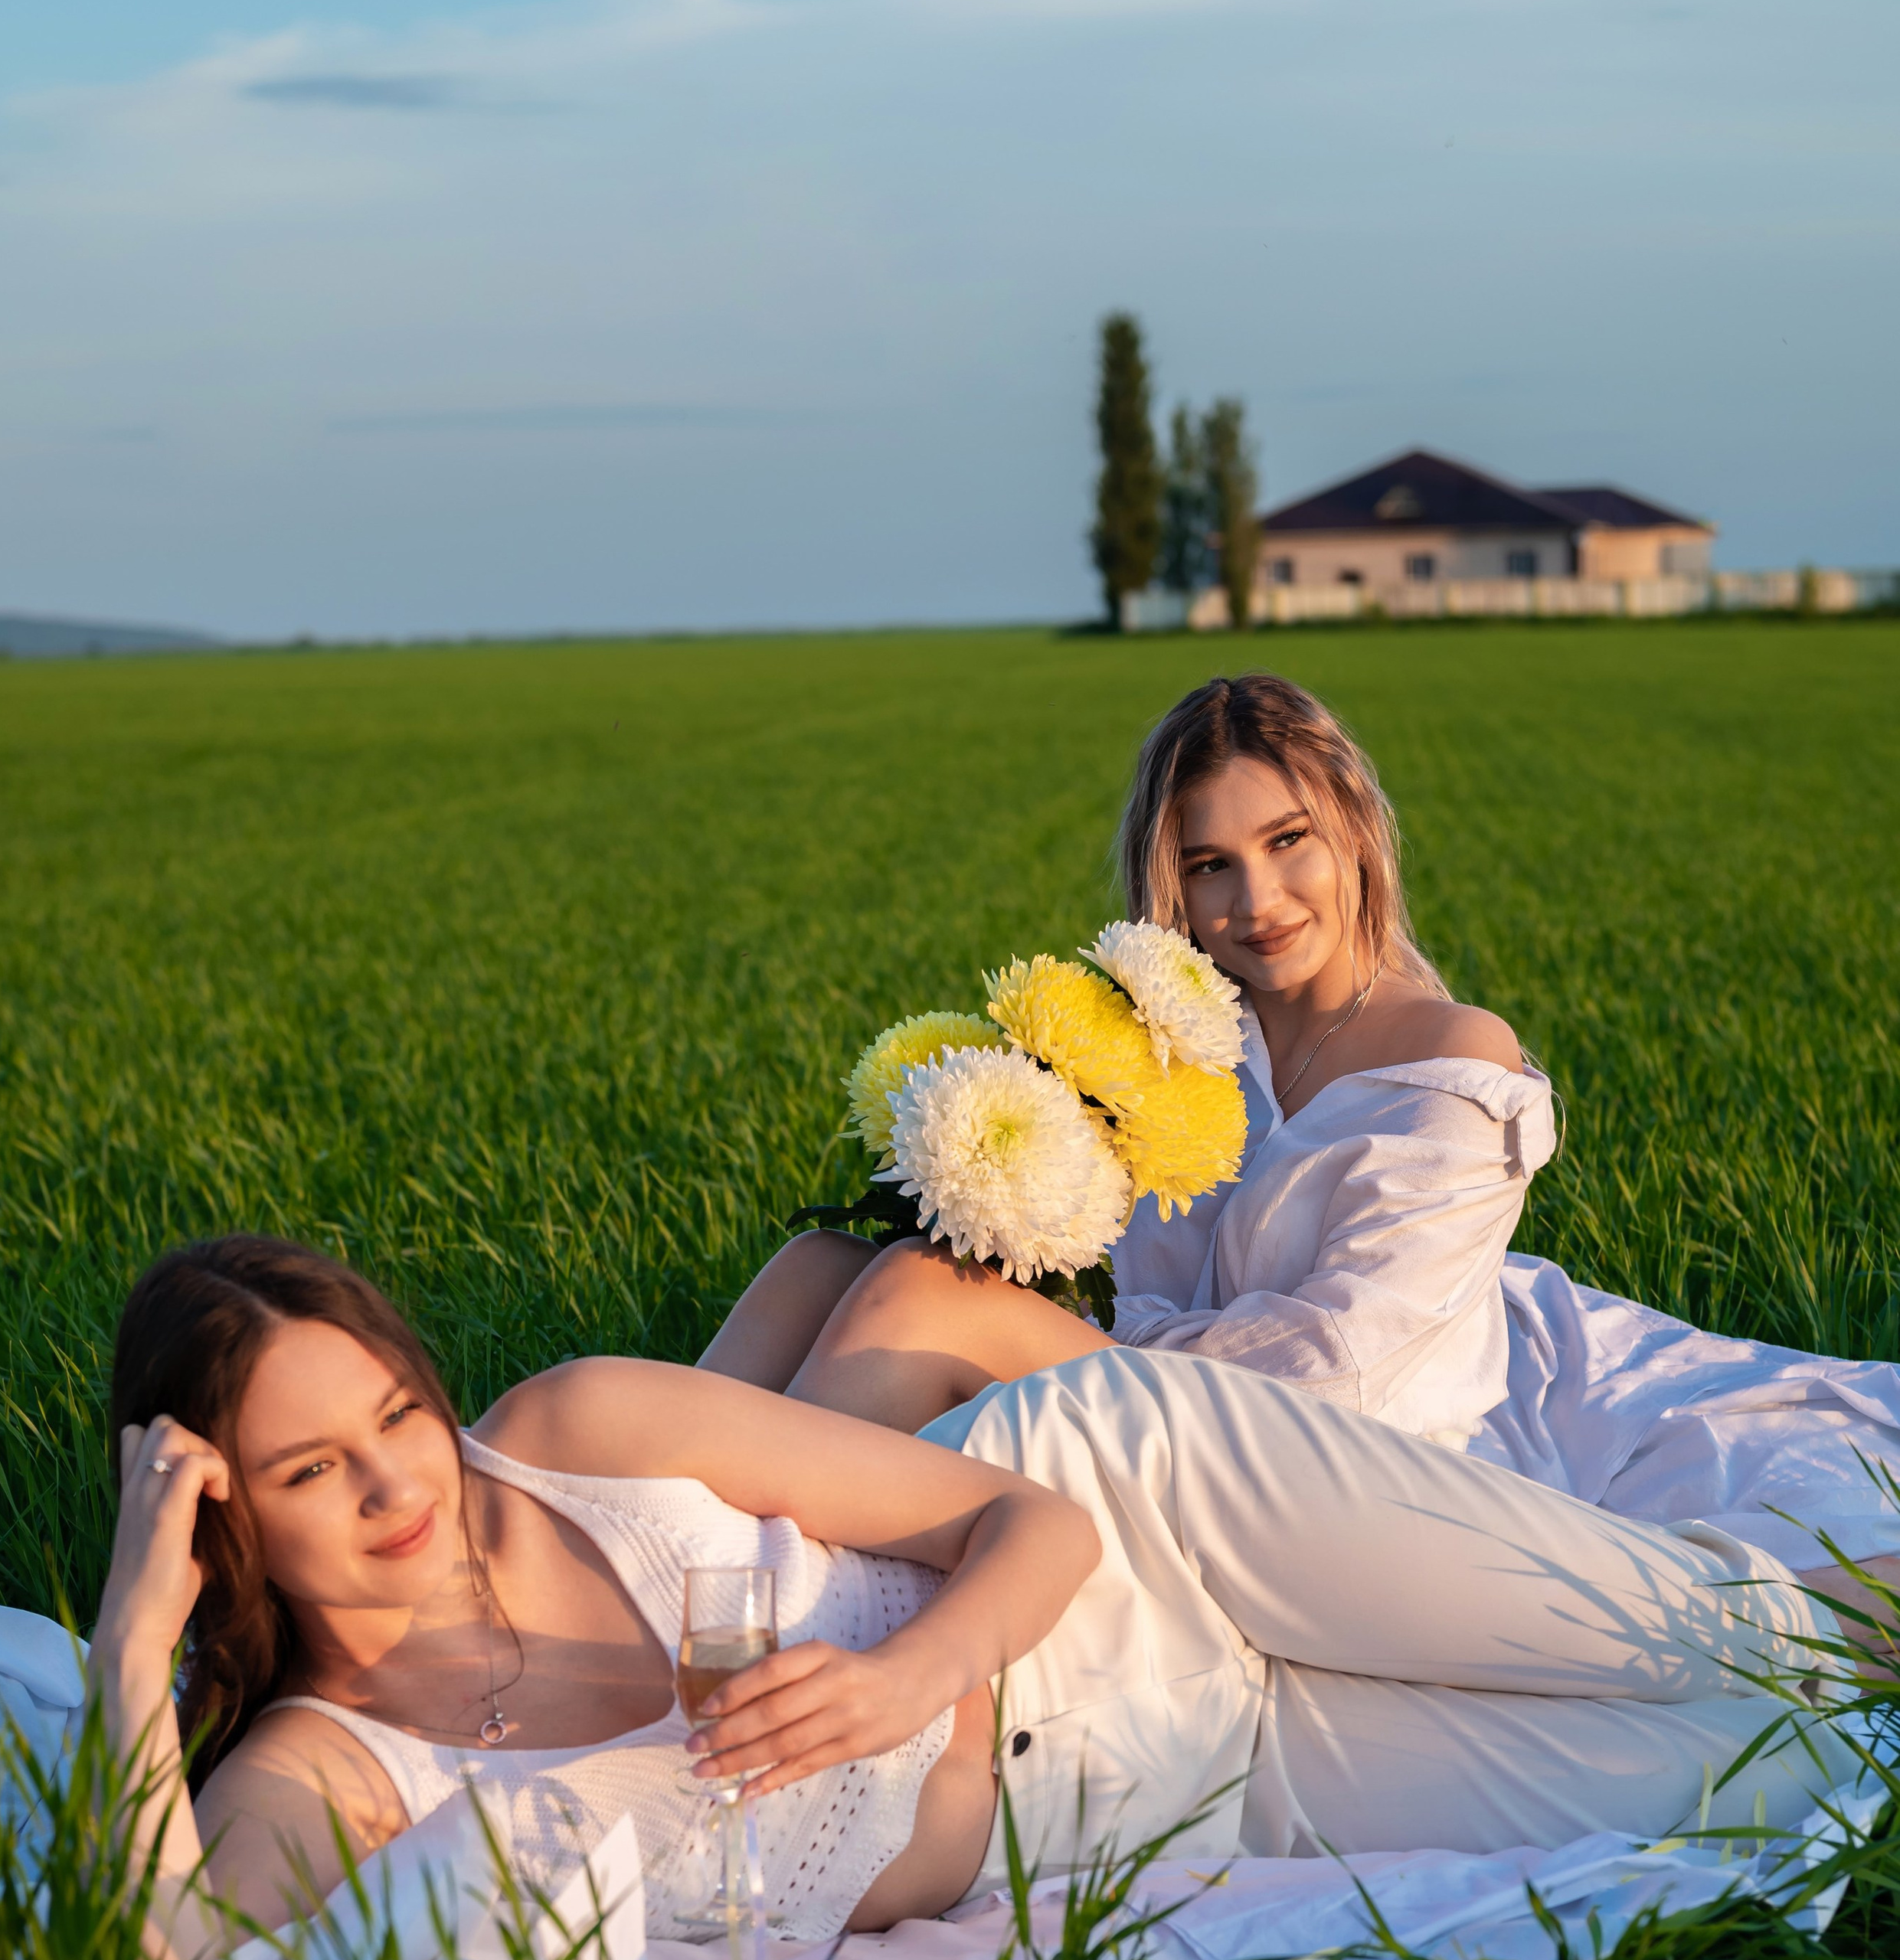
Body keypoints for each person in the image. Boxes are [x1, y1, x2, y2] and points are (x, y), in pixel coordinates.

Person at [93, 1236, 1852, 1960]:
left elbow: (1032, 1514)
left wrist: (905, 1674)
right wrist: (126, 1654)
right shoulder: (329, 1775)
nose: (405, 1486)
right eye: (316, 1469)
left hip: (1158, 1521)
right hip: (1156, 1797)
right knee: (1768, 1776)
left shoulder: (569, 1434)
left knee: (1735, 1639)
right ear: (218, 1506)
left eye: (397, 1413)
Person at [702, 671, 1900, 1638]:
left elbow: (1351, 1365)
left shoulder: (1449, 1061)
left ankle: (760, 1604)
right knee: (828, 1258)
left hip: (1357, 1457)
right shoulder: (1182, 1056)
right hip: (1186, 1394)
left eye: (1289, 842)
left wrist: (1062, 1347)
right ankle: (655, 1535)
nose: (1256, 899)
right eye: (1210, 865)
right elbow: (1147, 1285)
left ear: (1357, 837)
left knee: (922, 1296)